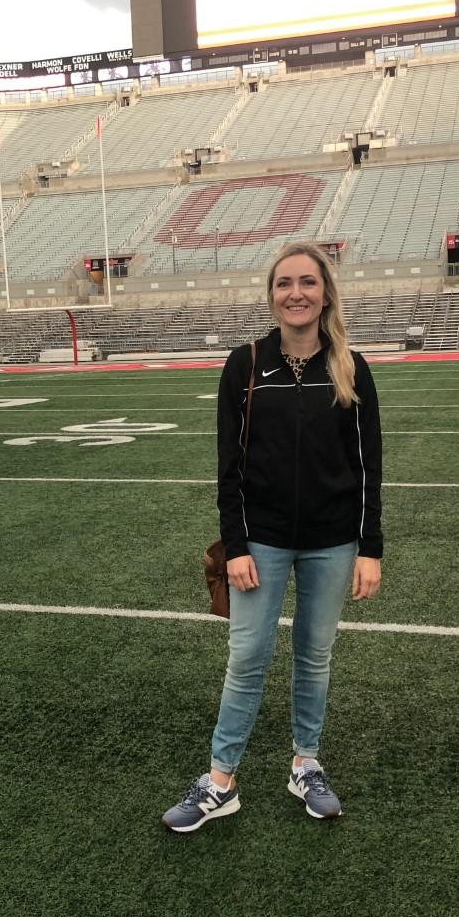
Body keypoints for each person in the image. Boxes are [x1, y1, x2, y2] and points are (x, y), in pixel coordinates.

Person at [163, 241, 383, 832]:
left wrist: (370, 548)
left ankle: (305, 765)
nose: (296, 293)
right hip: (260, 540)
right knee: (247, 658)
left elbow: (369, 466)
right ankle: (219, 781)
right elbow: (228, 465)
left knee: (314, 658)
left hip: (333, 541)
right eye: (284, 283)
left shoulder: (351, 366)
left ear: (324, 292)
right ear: (271, 295)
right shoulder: (245, 363)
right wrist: (235, 546)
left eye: (307, 282)